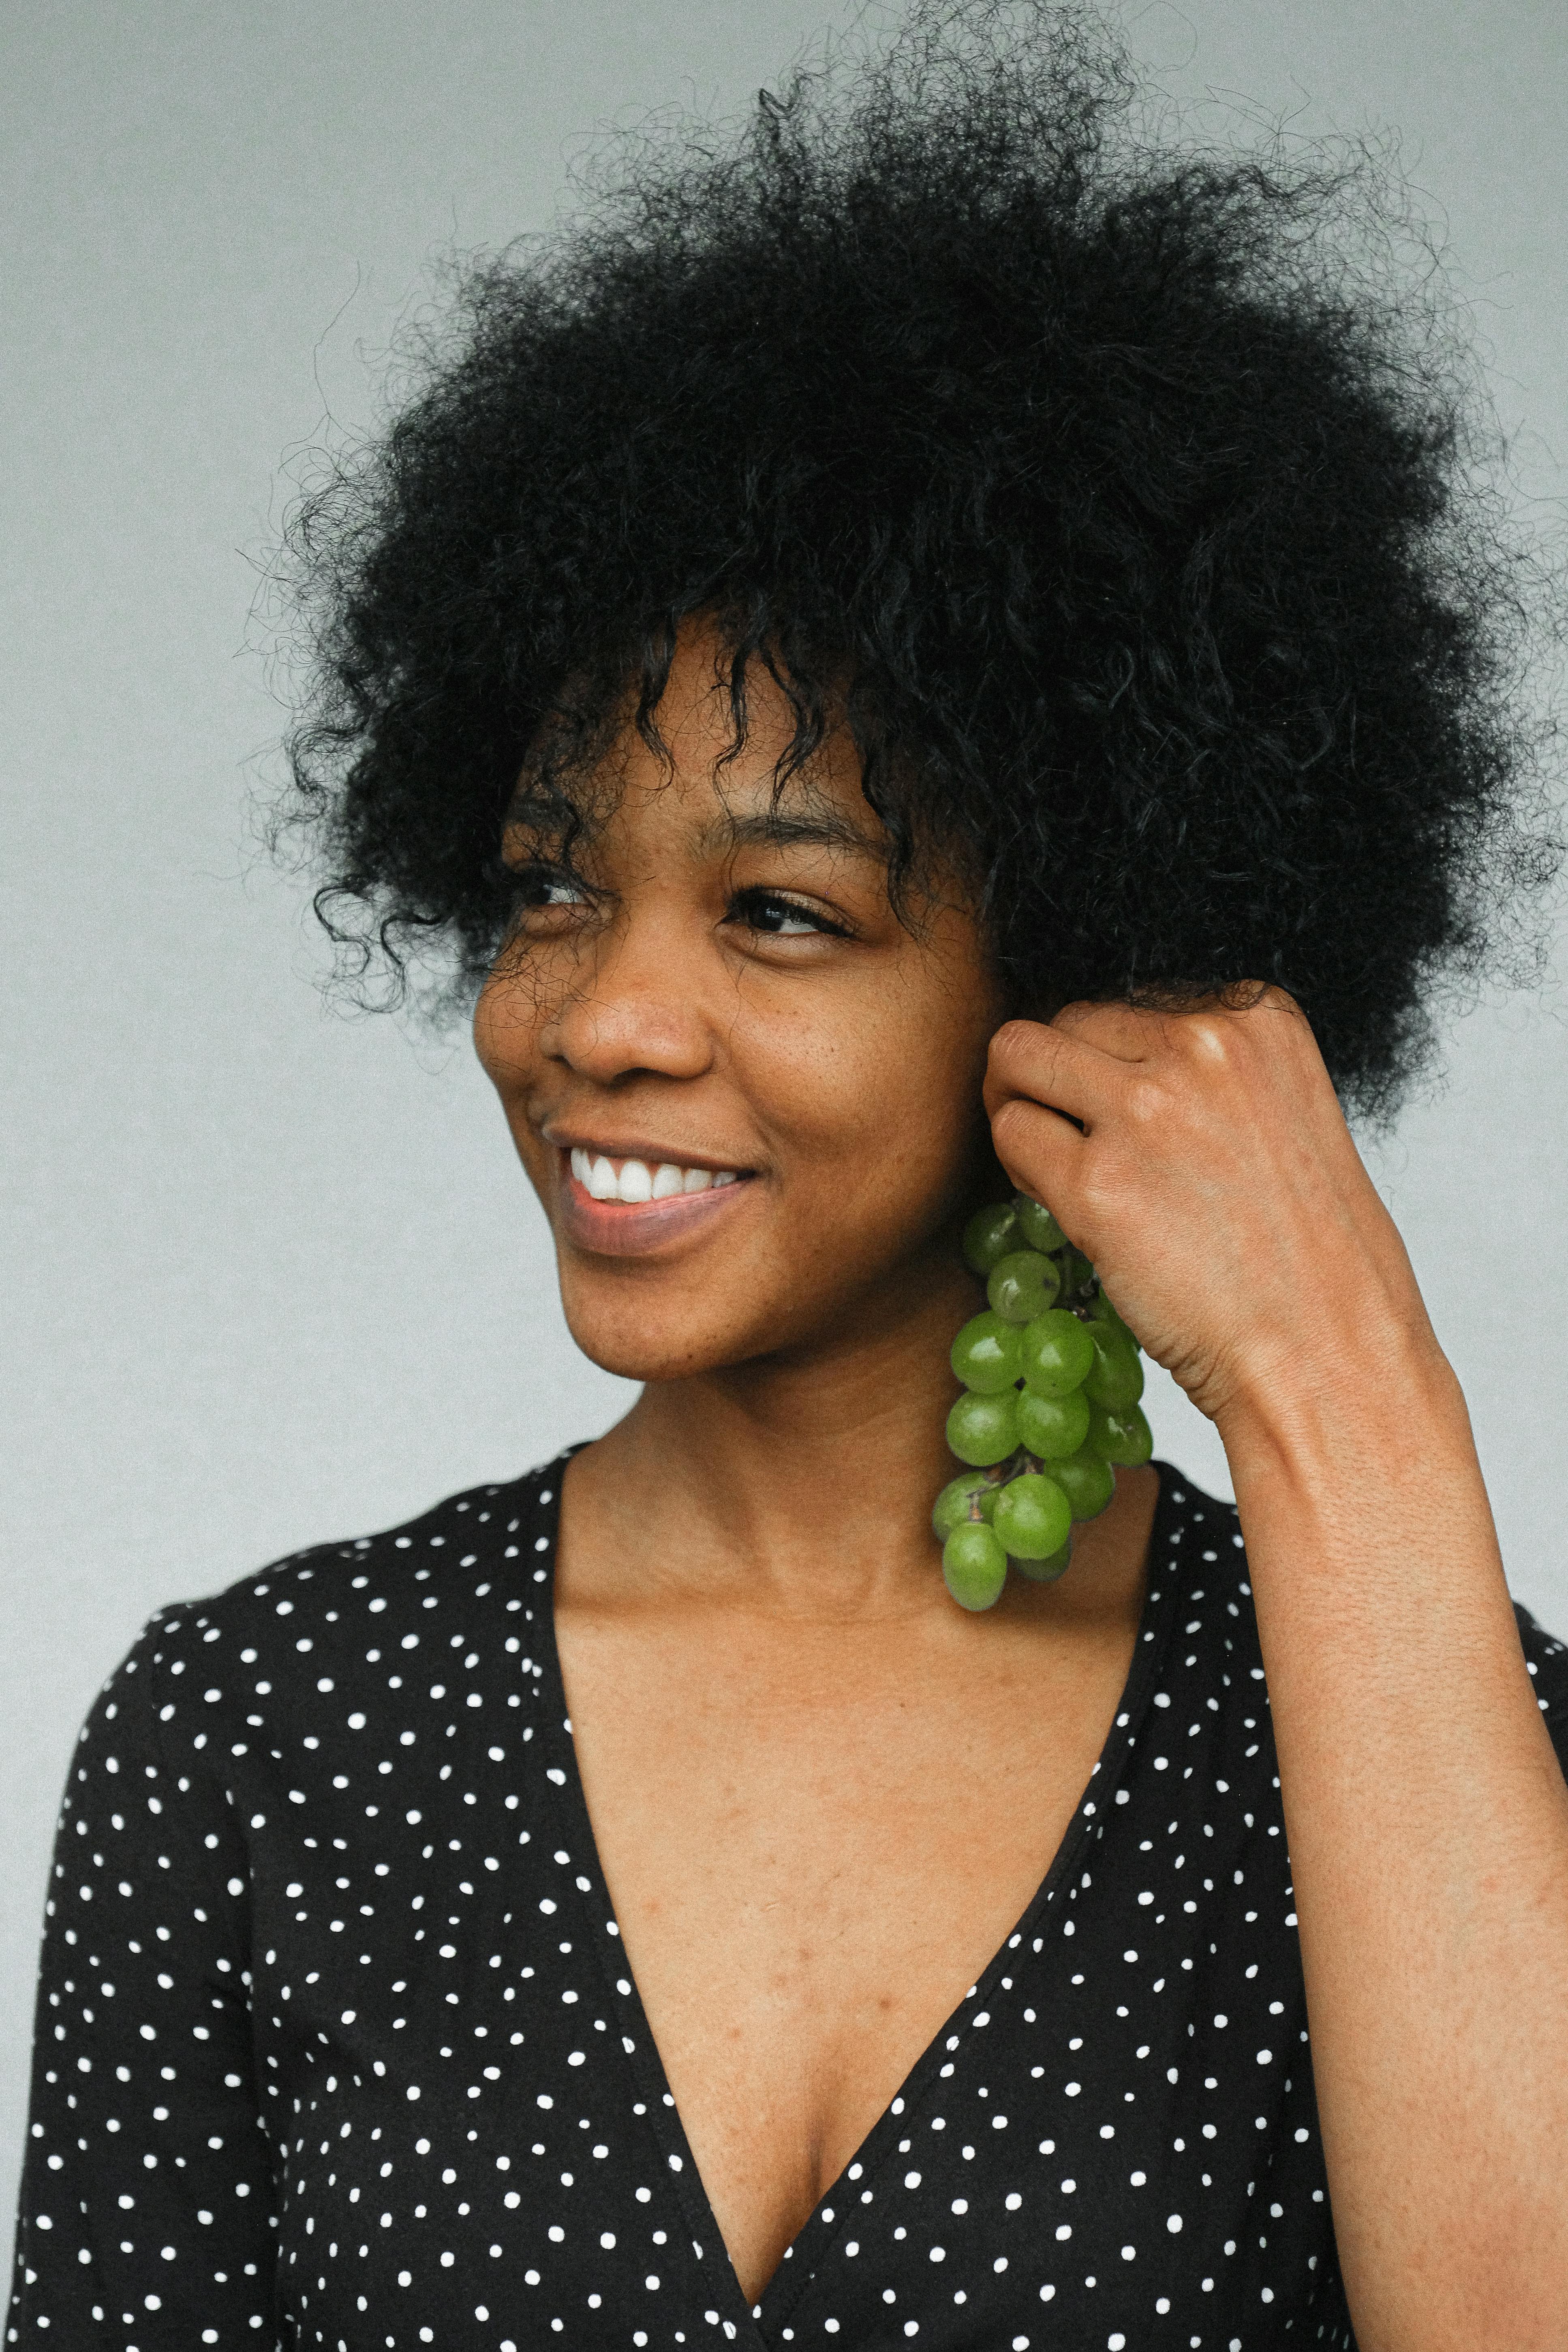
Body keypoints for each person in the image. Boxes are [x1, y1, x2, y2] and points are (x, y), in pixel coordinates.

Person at [9, 6, 1568, 2347]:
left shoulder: (1428, 1728)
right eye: (550, 885)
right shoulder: (257, 1738)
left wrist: (1341, 1388)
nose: (602, 1019)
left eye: (782, 912)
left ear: (1086, 981)